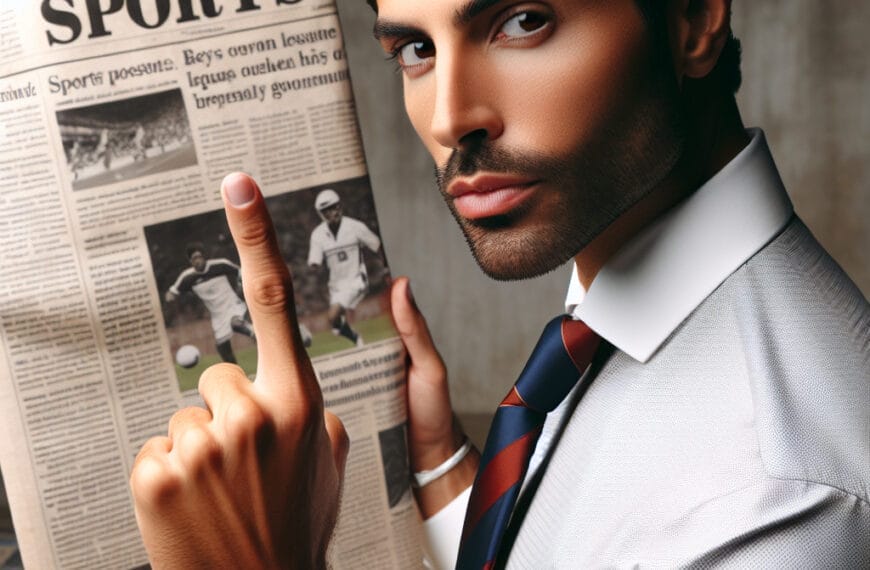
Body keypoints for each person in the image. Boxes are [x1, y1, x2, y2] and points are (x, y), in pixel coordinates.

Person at [131, 0, 869, 568]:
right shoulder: (622, 290)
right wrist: (446, 466)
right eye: (415, 49)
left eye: (522, 21)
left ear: (692, 20)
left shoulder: (777, 507)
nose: (452, 116)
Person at [307, 188, 382, 347]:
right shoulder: (318, 235)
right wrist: (314, 266)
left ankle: (351, 334)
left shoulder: (356, 226)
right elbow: (315, 262)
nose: (331, 213)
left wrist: (385, 267)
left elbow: (377, 246)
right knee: (333, 323)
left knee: (333, 315)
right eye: (326, 211)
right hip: (336, 286)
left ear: (340, 207)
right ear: (321, 214)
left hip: (356, 280)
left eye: (334, 207)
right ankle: (355, 338)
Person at [165, 242, 255, 365]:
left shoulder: (220, 264)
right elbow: (172, 292)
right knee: (222, 348)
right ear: (190, 261)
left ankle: (255, 333)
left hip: (233, 305)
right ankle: (237, 373)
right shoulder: (187, 277)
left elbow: (240, 271)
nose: (197, 261)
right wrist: (171, 297)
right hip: (218, 316)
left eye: (199, 257)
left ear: (204, 257)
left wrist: (241, 284)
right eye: (194, 259)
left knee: (235, 323)